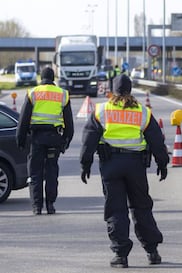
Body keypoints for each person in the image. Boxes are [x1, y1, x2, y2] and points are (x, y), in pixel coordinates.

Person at [79, 74, 169, 268]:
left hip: (111, 165)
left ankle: (121, 255)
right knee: (142, 207)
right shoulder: (142, 112)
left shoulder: (101, 110)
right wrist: (162, 163)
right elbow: (156, 140)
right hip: (136, 166)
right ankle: (152, 251)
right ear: (130, 89)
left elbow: (88, 139)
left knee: (116, 210)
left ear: (112, 90)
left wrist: (85, 164)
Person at [16, 67, 74, 215]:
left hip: (36, 138)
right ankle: (50, 204)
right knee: (51, 172)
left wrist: (20, 140)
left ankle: (37, 206)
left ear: (41, 78)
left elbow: (23, 120)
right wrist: (65, 142)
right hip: (54, 138)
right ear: (53, 78)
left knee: (35, 172)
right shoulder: (62, 94)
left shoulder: (33, 93)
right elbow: (69, 124)